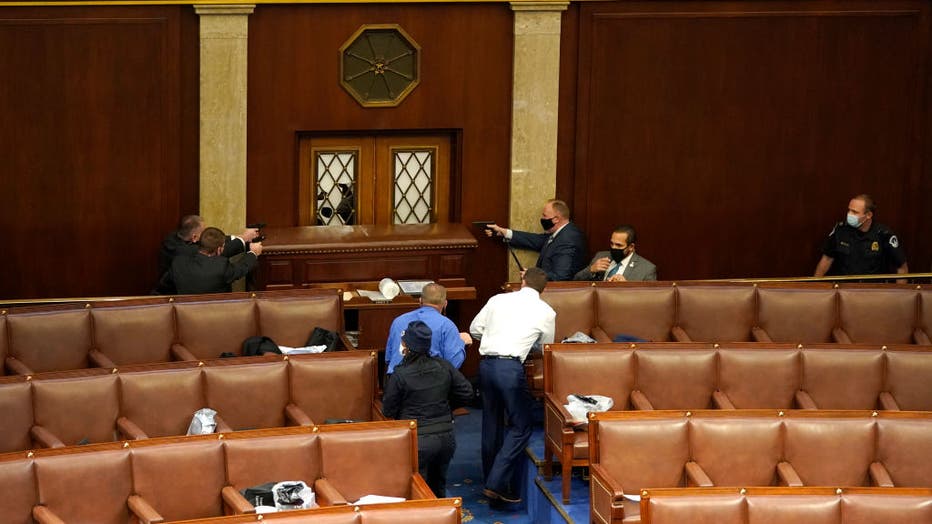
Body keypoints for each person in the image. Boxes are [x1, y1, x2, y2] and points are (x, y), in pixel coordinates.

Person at [469, 267, 555, 505]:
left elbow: (475, 329)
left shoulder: (497, 299)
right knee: (521, 426)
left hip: (486, 365)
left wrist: (492, 339)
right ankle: (496, 483)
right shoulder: (546, 311)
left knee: (491, 423)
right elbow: (545, 347)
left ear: (523, 281)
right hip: (511, 369)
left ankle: (491, 480)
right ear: (543, 290)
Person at [381, 320, 474, 498]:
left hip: (418, 439)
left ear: (406, 345)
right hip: (446, 437)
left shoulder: (400, 374)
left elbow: (388, 410)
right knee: (438, 488)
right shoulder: (444, 366)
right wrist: (447, 407)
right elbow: (467, 393)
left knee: (418, 493)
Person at [485, 199, 588, 281]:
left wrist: (532, 276)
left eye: (544, 215)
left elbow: (561, 276)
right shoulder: (562, 232)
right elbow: (535, 240)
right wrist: (503, 232)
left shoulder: (568, 239)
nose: (542, 218)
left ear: (556, 219)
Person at [814, 194, 908, 282]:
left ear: (868, 215)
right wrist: (815, 286)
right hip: (845, 287)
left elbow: (901, 267)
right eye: (849, 210)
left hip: (873, 289)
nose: (849, 214)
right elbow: (826, 259)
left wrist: (900, 292)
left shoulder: (884, 234)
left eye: (854, 212)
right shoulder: (841, 230)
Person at [156, 215, 260, 293]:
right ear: (195, 238)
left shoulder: (178, 261)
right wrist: (253, 252)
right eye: (203, 233)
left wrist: (238, 237)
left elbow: (211, 241)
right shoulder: (221, 266)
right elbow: (241, 268)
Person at [384, 283, 471, 376]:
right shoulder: (447, 325)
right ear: (445, 304)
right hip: (428, 381)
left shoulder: (398, 321)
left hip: (396, 379)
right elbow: (453, 364)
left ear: (420, 300)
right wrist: (461, 342)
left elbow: (388, 358)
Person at [573, 224, 657, 281]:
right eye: (612, 244)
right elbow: (575, 280)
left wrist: (627, 287)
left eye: (619, 245)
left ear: (631, 247)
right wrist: (591, 270)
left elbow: (649, 298)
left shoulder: (647, 269)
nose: (614, 248)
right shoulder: (601, 256)